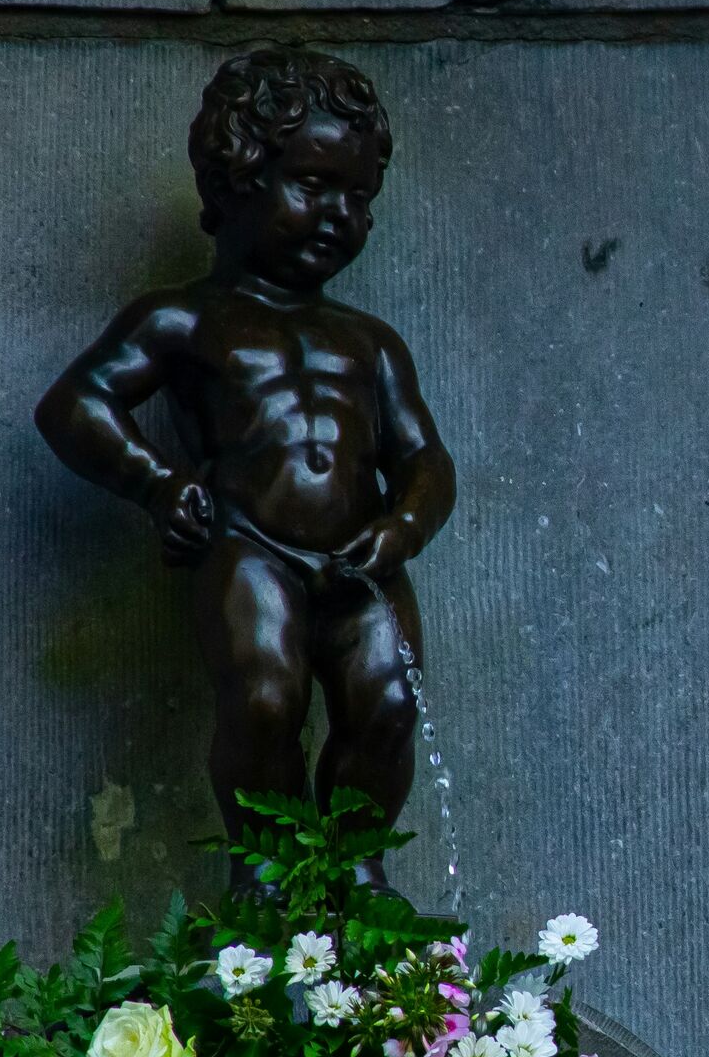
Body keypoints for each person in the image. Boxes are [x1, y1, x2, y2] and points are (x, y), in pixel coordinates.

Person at [36, 48, 454, 869]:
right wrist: (159, 485)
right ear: (237, 181)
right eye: (313, 185)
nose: (339, 214)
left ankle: (352, 868)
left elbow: (426, 458)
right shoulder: (188, 320)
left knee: (390, 702)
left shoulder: (370, 343)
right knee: (265, 700)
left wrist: (401, 529)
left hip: (363, 558)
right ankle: (268, 871)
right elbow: (75, 404)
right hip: (251, 547)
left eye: (358, 197)